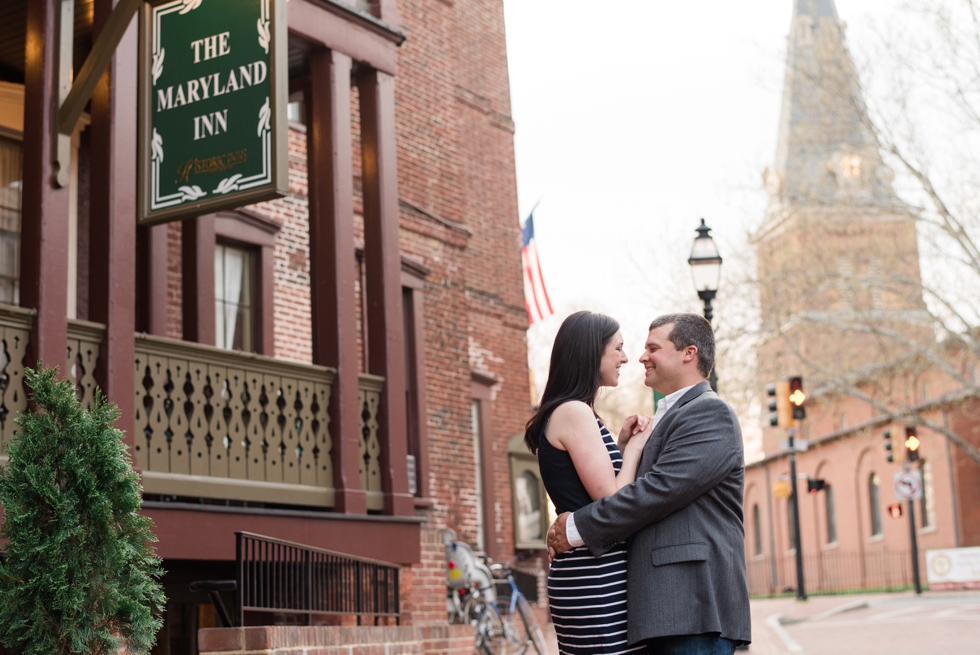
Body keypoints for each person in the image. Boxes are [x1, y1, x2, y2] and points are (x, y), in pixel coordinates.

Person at [547, 313, 751, 655]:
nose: (640, 357)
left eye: (652, 348)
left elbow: (658, 492)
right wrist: (628, 449)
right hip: (662, 610)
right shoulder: (671, 416)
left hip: (693, 607)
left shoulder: (710, 413)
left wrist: (575, 528)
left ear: (688, 353)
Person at [525, 311, 655, 655]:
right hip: (594, 576)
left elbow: (593, 491)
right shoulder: (574, 412)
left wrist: (623, 445)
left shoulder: (573, 411)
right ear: (591, 352)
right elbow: (612, 499)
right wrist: (636, 450)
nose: (625, 358)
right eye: (618, 349)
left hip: (591, 570)